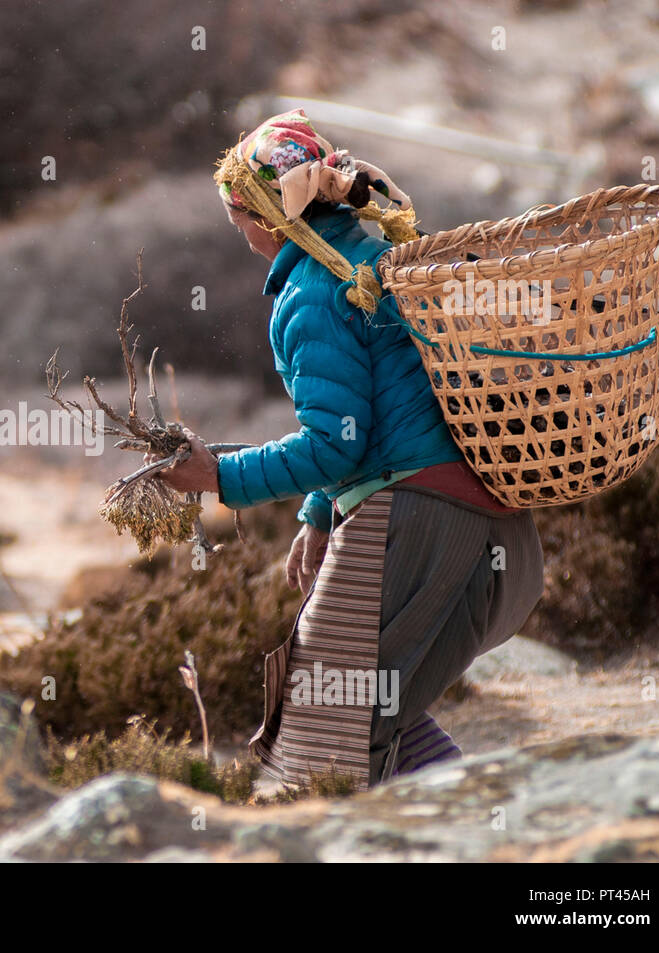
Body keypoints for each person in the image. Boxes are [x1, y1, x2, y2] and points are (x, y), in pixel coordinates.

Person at [156, 109, 545, 789]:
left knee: (329, 710)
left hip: (422, 522)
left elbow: (336, 445)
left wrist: (217, 476)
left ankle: (453, 823)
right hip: (495, 528)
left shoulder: (309, 294)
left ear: (270, 218)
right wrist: (317, 514)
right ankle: (455, 815)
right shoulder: (373, 259)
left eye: (239, 215)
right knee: (351, 706)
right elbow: (366, 421)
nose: (238, 232)